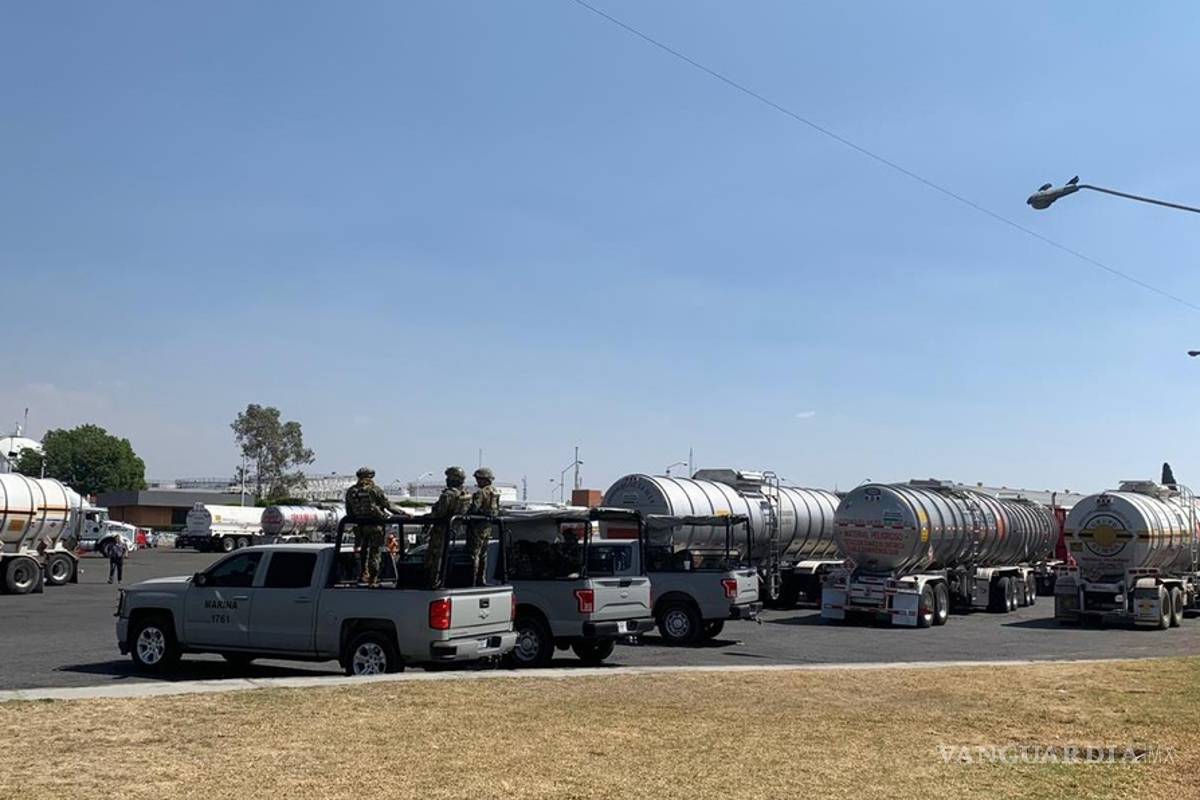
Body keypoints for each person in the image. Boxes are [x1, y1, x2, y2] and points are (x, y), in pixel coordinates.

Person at [344, 466, 401, 586]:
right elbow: (388, 505)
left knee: (362, 550)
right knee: (375, 553)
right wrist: (403, 513)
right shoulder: (374, 490)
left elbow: (349, 512)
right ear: (371, 477)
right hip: (375, 527)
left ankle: (362, 574)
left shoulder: (351, 491)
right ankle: (372, 579)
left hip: (360, 527)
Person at [424, 466, 471, 589]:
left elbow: (440, 513)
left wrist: (427, 517)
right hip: (452, 529)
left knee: (435, 556)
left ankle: (434, 581)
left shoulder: (448, 494)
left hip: (441, 529)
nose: (447, 479)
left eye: (448, 477)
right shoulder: (464, 494)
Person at [467, 467, 502, 586]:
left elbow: (475, 508)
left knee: (474, 554)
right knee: (483, 554)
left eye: (479, 479)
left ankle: (472, 580)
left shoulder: (480, 492)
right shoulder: (495, 492)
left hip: (478, 526)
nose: (477, 481)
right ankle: (481, 579)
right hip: (487, 526)